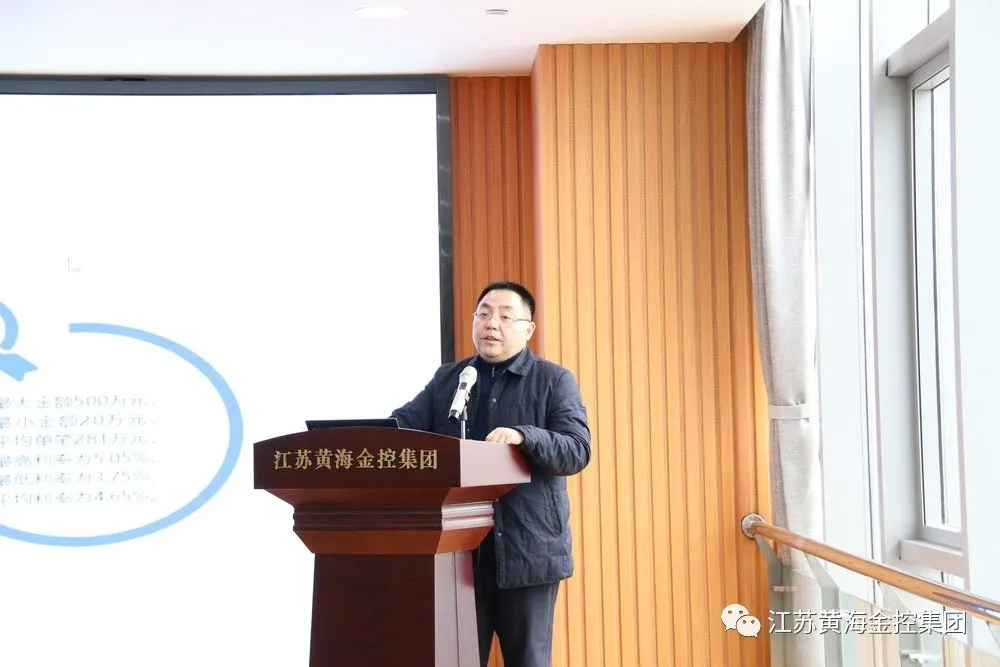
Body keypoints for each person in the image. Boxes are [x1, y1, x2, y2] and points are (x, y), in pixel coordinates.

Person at [390, 280, 591, 667]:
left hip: (527, 552)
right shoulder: (450, 379)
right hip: (461, 555)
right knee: (458, 659)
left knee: (528, 660)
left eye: (504, 316)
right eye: (483, 314)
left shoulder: (553, 380)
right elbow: (403, 426)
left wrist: (525, 436)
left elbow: (576, 449)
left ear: (528, 329)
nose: (491, 324)